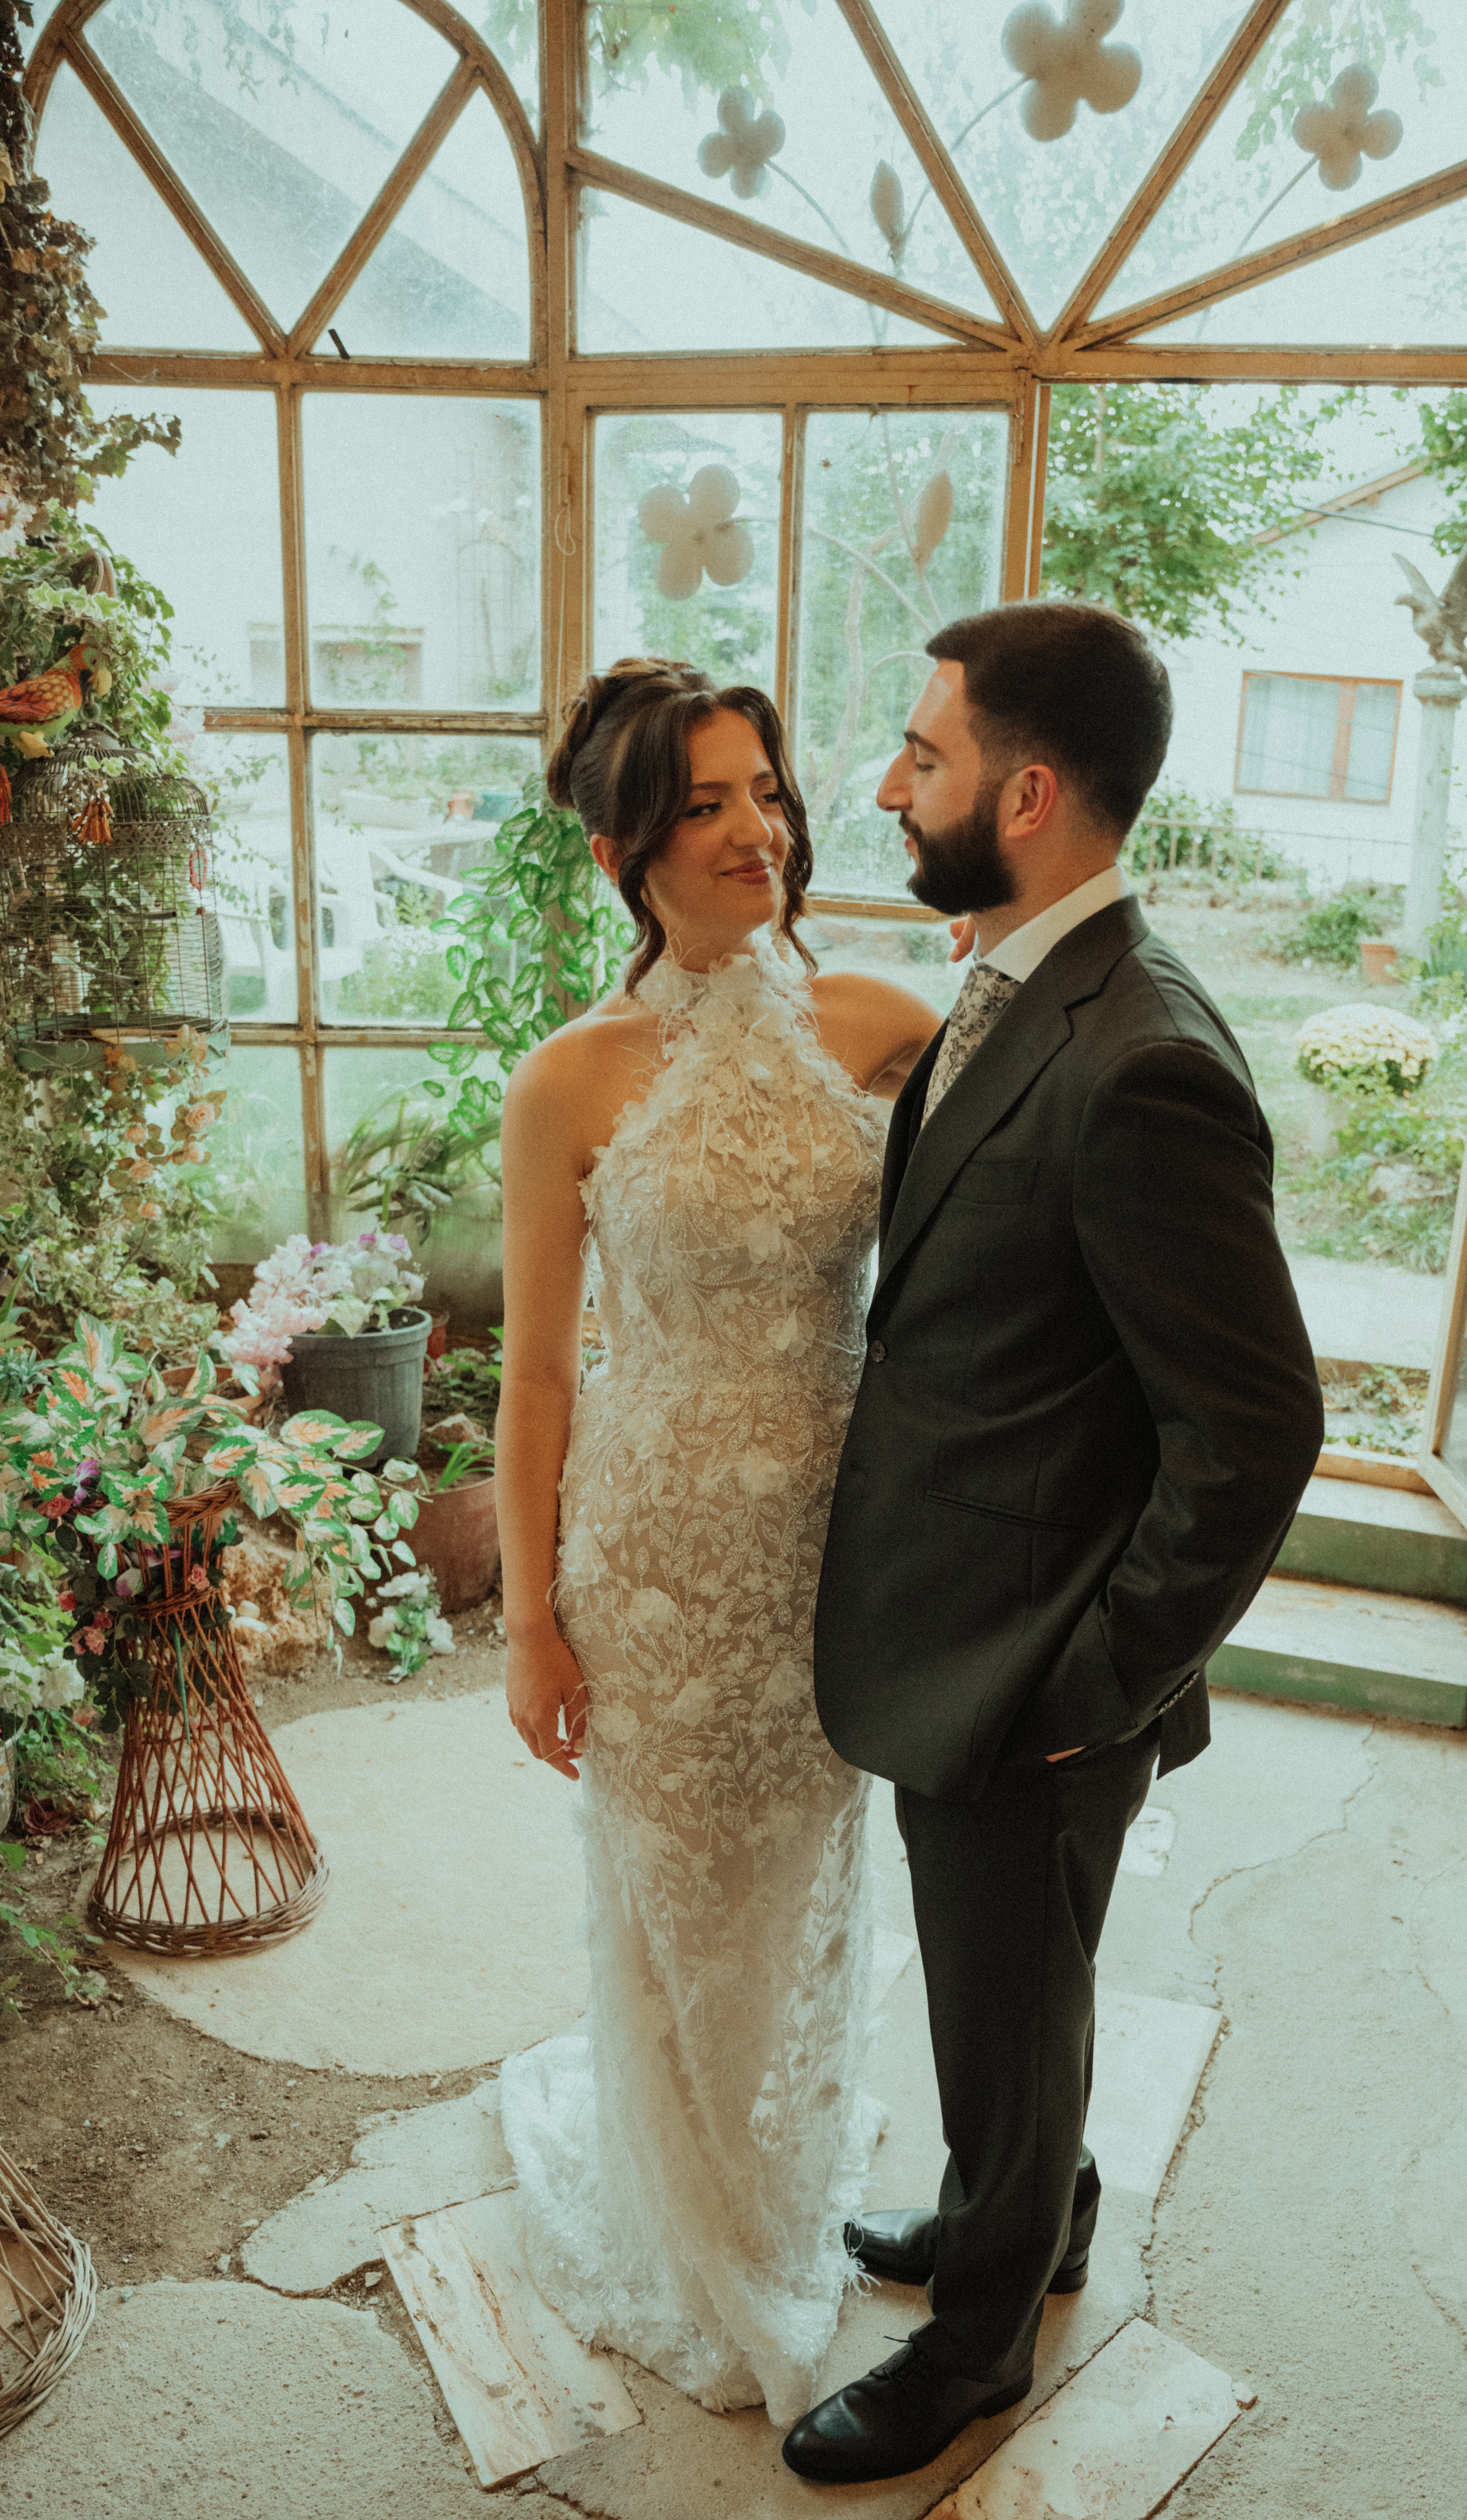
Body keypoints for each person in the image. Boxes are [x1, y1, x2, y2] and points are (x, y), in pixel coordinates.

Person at [788, 600, 1325, 2484]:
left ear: (1024, 795)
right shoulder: (1026, 981)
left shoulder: (1143, 1057)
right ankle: (1029, 2205)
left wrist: (1100, 1682)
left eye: (923, 753)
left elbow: (1256, 1431)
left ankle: (980, 2345)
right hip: (969, 1614)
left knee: (1007, 1981)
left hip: (1034, 1662)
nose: (886, 784)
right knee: (1009, 1984)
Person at [495, 657, 940, 2428]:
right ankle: (701, 2230)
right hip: (656, 1552)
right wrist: (532, 1624)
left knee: (802, 1878)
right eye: (704, 805)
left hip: (839, 1544)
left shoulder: (884, 1026)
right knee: (679, 1892)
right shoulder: (568, 1081)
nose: (758, 831)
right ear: (624, 849)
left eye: (766, 790)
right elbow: (539, 1377)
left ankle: (783, 2163)